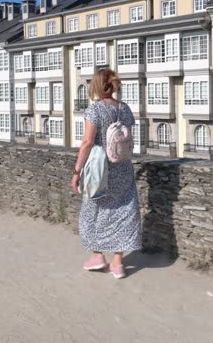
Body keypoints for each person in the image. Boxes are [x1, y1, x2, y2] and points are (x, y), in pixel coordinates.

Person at [71, 68, 141, 279]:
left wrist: (76, 171)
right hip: (123, 166)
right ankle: (118, 263)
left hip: (100, 169)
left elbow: (87, 142)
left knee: (93, 211)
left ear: (97, 86)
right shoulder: (125, 109)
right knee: (124, 212)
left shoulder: (95, 110)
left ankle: (97, 255)